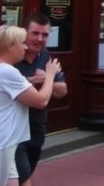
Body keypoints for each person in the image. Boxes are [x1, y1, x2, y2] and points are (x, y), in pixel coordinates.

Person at [0, 25, 60, 186]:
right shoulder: (7, 72)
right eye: (21, 43)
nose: (25, 47)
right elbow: (41, 101)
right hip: (1, 143)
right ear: (9, 46)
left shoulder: (0, 69)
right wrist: (50, 75)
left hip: (7, 142)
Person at [14, 13, 67, 186]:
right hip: (11, 131)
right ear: (23, 33)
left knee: (21, 175)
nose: (39, 39)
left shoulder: (45, 57)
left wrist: (47, 79)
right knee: (23, 179)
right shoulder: (10, 57)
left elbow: (62, 91)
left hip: (36, 128)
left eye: (44, 34)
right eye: (35, 33)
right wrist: (29, 82)